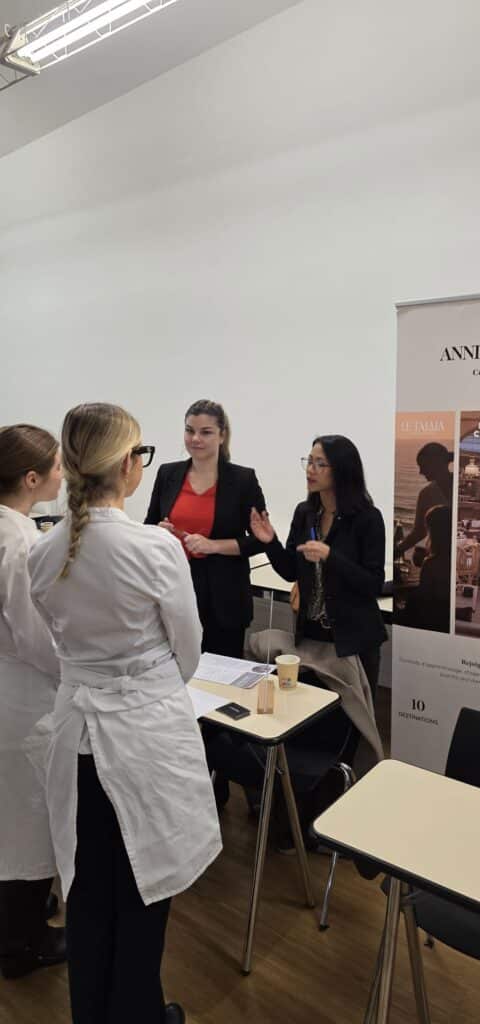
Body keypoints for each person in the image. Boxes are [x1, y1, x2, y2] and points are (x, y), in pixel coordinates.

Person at [28, 403, 221, 1024]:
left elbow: (59, 647)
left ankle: (93, 1011)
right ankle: (137, 1011)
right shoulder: (154, 548)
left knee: (87, 889)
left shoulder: (42, 553)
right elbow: (188, 650)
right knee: (143, 887)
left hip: (76, 740)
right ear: (127, 466)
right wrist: (144, 682)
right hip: (142, 739)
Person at [0, 424, 66, 980]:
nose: (63, 475)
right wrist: (78, 668)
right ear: (31, 479)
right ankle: (23, 944)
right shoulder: (20, 543)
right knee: (28, 823)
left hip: (9, 690)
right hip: (21, 700)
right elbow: (34, 637)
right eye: (57, 467)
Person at [250, 434, 386, 693]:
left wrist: (330, 556)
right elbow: (290, 571)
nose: (310, 470)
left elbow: (373, 584)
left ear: (342, 470)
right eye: (309, 461)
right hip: (312, 637)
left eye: (320, 464)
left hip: (352, 641)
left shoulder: (367, 518)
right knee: (312, 711)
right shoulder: (306, 513)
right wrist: (270, 542)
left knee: (352, 716)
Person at [145, 400, 266, 659]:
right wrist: (159, 531)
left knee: (222, 672)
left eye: (206, 432)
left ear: (222, 436)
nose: (195, 439)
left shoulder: (242, 480)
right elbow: (149, 526)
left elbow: (260, 540)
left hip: (224, 595)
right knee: (174, 667)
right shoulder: (168, 474)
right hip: (175, 586)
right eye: (189, 430)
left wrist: (214, 546)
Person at [395, 442, 453, 558]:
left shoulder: (427, 494)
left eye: (423, 465)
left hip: (440, 557)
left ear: (434, 463)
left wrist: (398, 549)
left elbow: (419, 532)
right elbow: (419, 532)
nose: (420, 472)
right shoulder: (427, 493)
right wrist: (399, 549)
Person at [399, 505, 451, 632]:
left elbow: (423, 599)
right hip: (441, 619)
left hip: (429, 622)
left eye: (429, 530)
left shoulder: (431, 564)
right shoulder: (447, 559)